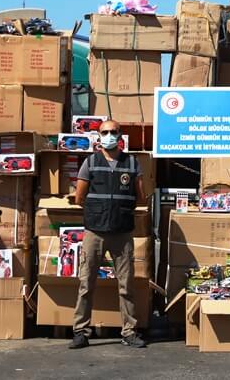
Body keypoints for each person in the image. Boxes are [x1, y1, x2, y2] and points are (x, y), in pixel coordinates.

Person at [70, 119, 146, 349]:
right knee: (86, 282)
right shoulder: (90, 163)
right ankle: (81, 331)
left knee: (126, 284)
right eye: (105, 132)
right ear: (98, 136)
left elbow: (140, 197)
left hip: (122, 232)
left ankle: (129, 332)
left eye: (113, 132)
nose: (109, 135)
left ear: (120, 135)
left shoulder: (132, 163)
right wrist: (99, 211)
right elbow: (79, 197)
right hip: (95, 231)